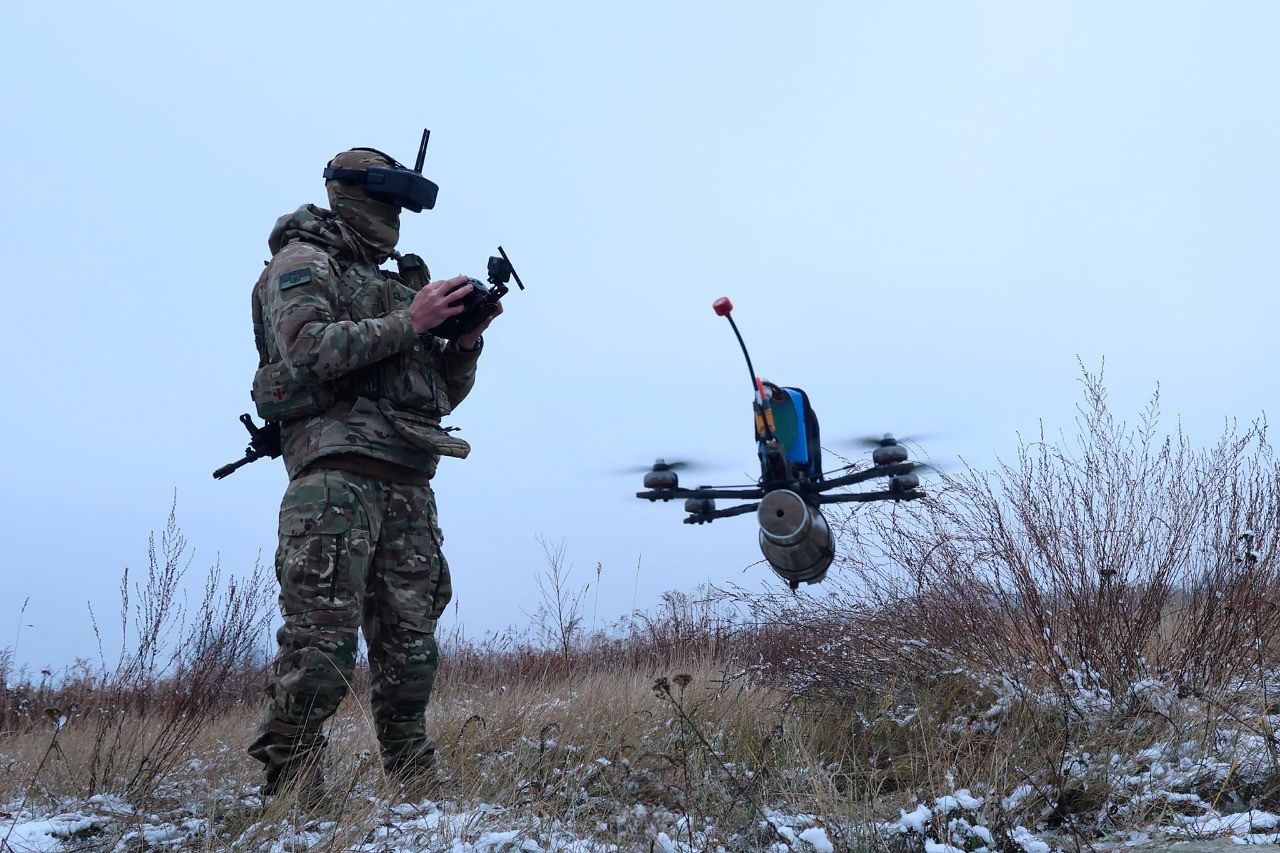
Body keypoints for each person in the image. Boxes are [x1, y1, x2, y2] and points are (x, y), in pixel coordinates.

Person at [244, 146, 500, 798]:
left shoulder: (399, 281)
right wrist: (410, 319)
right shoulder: (302, 262)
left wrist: (464, 341)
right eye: (385, 198)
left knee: (412, 647)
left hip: (410, 479)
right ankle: (292, 792)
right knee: (322, 647)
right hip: (335, 477)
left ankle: (414, 782)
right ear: (350, 193)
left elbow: (438, 393)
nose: (393, 215)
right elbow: (307, 349)